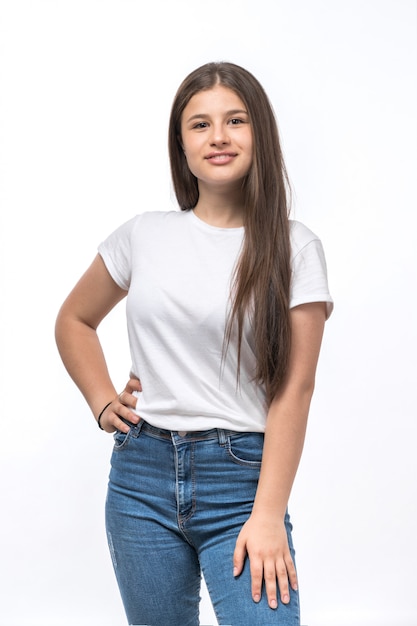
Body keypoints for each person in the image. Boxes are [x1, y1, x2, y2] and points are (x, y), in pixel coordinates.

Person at [55, 61, 333, 626]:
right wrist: (102, 398)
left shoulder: (295, 248)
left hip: (242, 480)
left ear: (261, 135)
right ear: (181, 144)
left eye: (236, 120)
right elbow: (74, 320)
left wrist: (269, 514)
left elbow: (295, 390)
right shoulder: (143, 235)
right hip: (141, 478)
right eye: (200, 125)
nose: (220, 137)